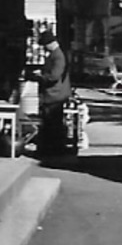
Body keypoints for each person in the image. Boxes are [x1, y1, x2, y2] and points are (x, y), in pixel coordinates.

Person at [36, 27, 71, 155]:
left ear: (50, 43)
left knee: (52, 123)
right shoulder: (57, 55)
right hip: (54, 95)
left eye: (44, 45)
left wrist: (40, 76)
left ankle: (53, 149)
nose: (44, 48)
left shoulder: (58, 57)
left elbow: (54, 76)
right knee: (52, 123)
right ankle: (52, 148)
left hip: (55, 96)